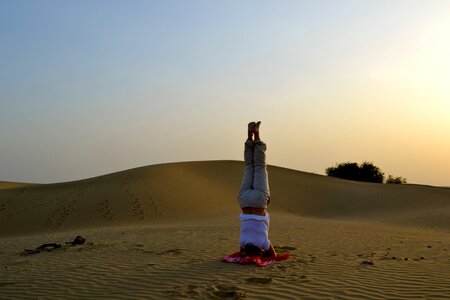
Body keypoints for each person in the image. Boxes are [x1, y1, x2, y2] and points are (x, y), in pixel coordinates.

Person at [237, 121, 277, 257]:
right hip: (243, 201)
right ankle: (249, 137)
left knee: (260, 166)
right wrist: (244, 254)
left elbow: (273, 254)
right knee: (249, 166)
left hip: (259, 202)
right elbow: (242, 252)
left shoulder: (262, 242)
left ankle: (257, 135)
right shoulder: (243, 242)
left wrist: (265, 254)